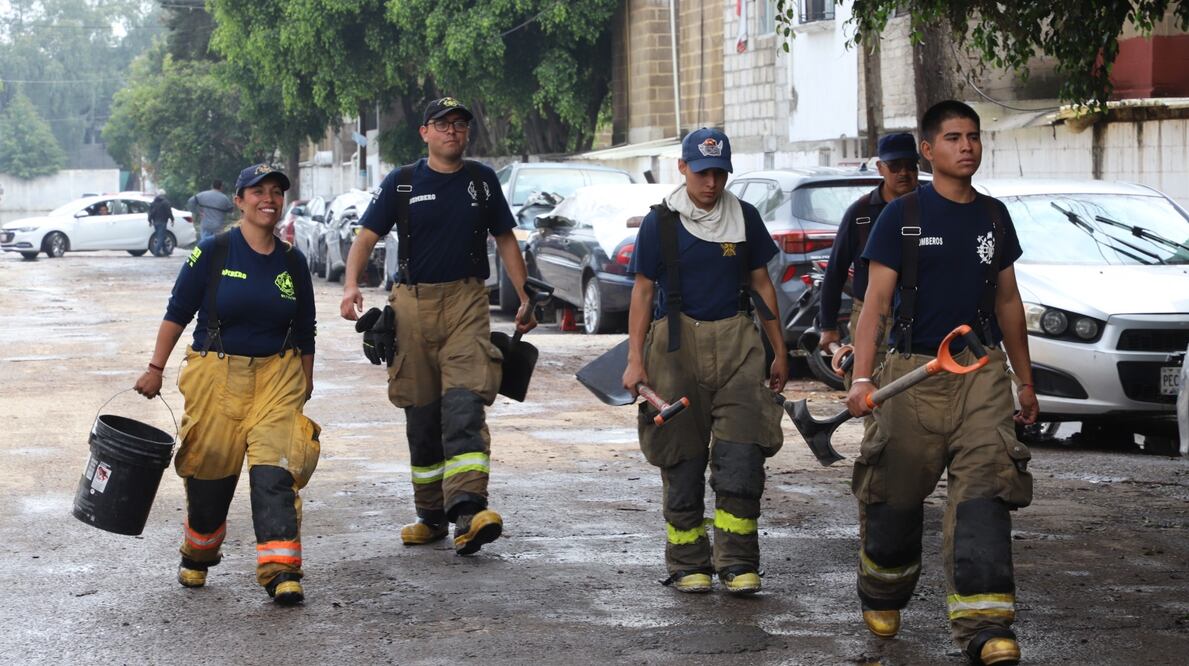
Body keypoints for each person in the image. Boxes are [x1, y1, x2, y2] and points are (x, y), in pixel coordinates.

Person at [845, 101, 1036, 666]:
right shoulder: (900, 216)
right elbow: (874, 305)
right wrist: (860, 376)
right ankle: (882, 587)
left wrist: (1024, 382)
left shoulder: (995, 217)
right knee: (894, 502)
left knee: (986, 492)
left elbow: (1007, 301)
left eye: (973, 136)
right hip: (910, 377)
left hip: (980, 374)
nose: (967, 146)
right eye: (953, 137)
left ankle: (984, 627)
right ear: (928, 151)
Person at [339, 96, 535, 556]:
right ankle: (430, 517)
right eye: (443, 124)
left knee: (465, 404)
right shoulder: (403, 183)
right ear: (425, 132)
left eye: (461, 124)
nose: (453, 131)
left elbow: (505, 237)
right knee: (422, 417)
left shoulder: (482, 181)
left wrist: (524, 295)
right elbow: (366, 236)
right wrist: (350, 284)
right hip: (411, 305)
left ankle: (469, 511)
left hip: (467, 301)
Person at [134, 163, 319, 605]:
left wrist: (305, 380)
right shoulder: (213, 252)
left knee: (277, 469)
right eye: (258, 192)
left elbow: (307, 327)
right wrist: (155, 367)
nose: (268, 199)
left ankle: (281, 570)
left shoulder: (293, 261)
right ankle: (198, 553)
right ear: (239, 201)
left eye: (276, 192)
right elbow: (177, 312)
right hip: (216, 373)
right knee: (208, 476)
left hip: (278, 375)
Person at [621, 128, 787, 595]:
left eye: (719, 173)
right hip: (675, 349)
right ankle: (688, 561)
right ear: (683, 168)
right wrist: (635, 360)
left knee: (741, 456)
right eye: (702, 172)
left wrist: (779, 351)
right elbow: (642, 292)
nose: (711, 183)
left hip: (738, 345)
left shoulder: (745, 218)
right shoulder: (662, 222)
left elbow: (761, 286)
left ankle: (737, 562)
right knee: (682, 458)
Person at [818, 132, 920, 365]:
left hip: (921, 317)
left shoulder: (930, 207)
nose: (904, 173)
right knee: (869, 389)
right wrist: (828, 326)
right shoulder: (861, 213)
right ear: (880, 168)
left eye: (910, 166)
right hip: (873, 317)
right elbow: (835, 270)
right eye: (895, 166)